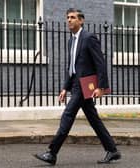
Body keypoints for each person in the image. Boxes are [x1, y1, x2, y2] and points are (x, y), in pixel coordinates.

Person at [34, 8, 121, 165]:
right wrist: (65, 88)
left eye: (73, 17)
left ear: (81, 20)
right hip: (75, 85)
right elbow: (72, 67)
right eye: (67, 17)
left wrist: (101, 87)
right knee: (94, 119)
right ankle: (112, 150)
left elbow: (100, 63)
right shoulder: (71, 40)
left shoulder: (89, 38)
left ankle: (52, 153)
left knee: (67, 115)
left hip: (84, 86)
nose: (69, 20)